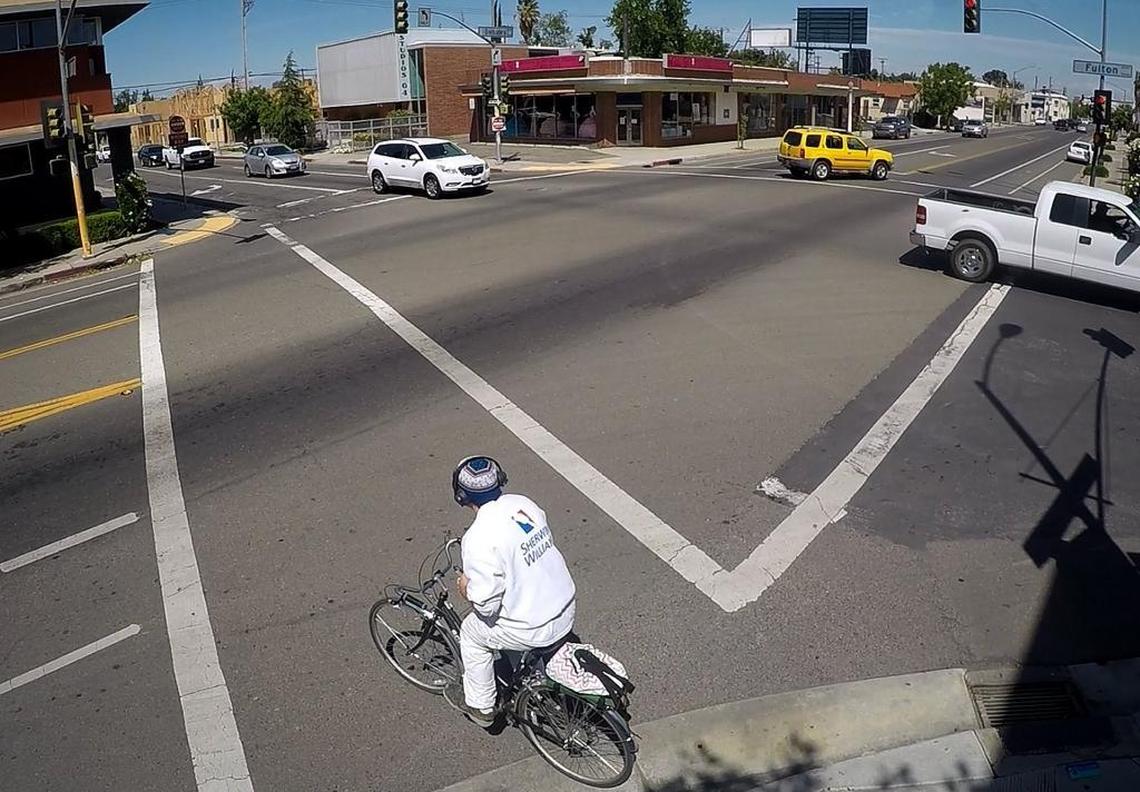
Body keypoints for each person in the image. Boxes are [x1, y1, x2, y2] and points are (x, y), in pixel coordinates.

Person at [446, 456, 577, 725]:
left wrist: (466, 588)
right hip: (565, 605)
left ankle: (481, 707)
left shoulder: (478, 537)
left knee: (471, 633)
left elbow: (486, 605)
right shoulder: (523, 503)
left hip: (534, 626)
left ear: (461, 496)